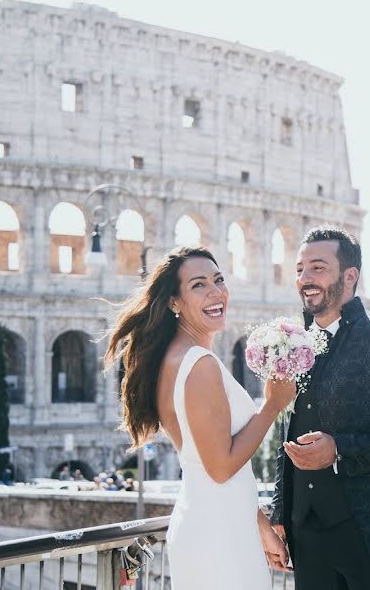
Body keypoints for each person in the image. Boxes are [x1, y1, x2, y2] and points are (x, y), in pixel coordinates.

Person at [104, 246, 295, 589]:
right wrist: (272, 406)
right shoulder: (198, 365)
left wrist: (261, 526)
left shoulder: (176, 359)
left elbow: (209, 461)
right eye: (198, 285)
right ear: (174, 303)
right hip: (218, 535)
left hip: (218, 522)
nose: (215, 291)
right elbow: (221, 467)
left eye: (218, 280)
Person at [270, 226, 370, 590]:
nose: (304, 279)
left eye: (317, 268)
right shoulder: (295, 347)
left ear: (350, 275)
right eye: (299, 270)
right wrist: (280, 513)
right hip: (307, 538)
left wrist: (340, 449)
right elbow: (290, 432)